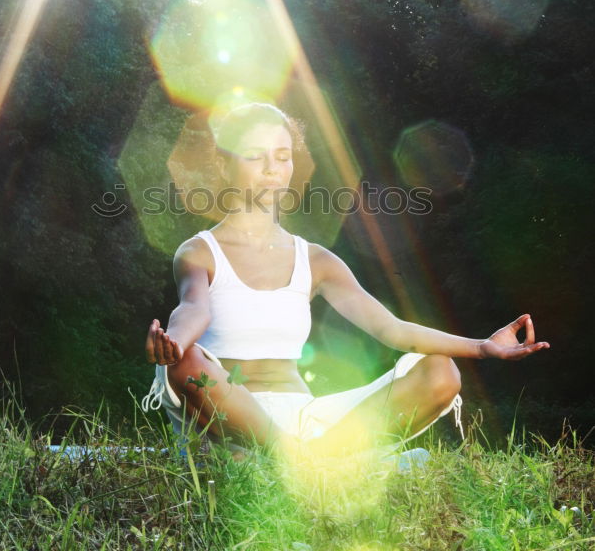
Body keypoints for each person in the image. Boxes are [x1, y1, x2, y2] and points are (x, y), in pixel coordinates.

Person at [143, 102, 549, 458]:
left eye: (282, 156)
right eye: (255, 156)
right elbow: (192, 307)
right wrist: (173, 342)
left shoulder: (317, 260)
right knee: (185, 362)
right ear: (224, 163)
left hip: (304, 420)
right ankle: (300, 461)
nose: (272, 169)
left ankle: (297, 459)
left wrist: (482, 347)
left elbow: (392, 330)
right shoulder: (199, 251)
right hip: (228, 415)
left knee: (440, 372)